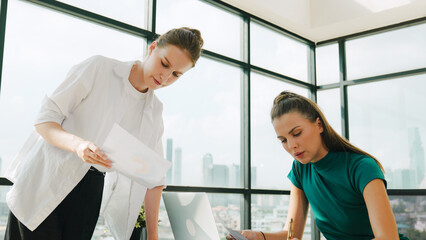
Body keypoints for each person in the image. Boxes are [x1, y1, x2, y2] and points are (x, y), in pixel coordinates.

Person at [4, 27, 203, 240]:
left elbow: (153, 180)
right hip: (47, 178)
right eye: (165, 64)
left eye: (176, 75)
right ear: (152, 48)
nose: (165, 77)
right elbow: (44, 121)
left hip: (90, 192)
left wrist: (153, 235)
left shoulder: (154, 113)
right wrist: (78, 145)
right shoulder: (99, 68)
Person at [227, 91, 408, 240]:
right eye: (283, 140)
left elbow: (388, 238)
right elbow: (291, 235)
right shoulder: (300, 169)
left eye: (296, 133)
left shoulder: (362, 167)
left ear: (319, 125)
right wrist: (257, 237)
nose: (291, 146)